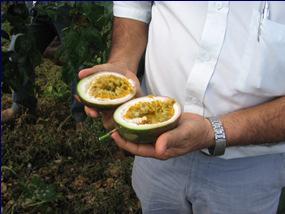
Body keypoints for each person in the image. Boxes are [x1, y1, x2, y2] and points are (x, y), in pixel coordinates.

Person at [79, 2, 285, 213]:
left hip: (249, 168)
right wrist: (122, 63)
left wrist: (212, 131)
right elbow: (133, 6)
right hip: (154, 147)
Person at [1, 2, 86, 128]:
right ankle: (22, 105)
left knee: (78, 58)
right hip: (38, 9)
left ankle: (82, 118)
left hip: (69, 7)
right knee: (19, 51)